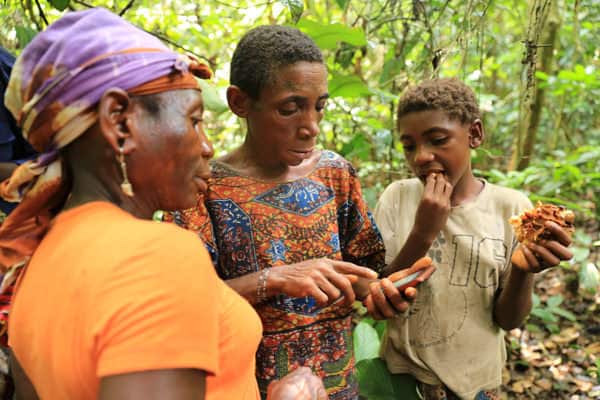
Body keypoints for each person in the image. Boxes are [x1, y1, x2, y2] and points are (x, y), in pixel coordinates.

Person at [0, 8, 327, 400]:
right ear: (120, 123)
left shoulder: (30, 264)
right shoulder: (157, 255)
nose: (206, 146)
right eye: (193, 120)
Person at [171, 25, 418, 399]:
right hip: (247, 388)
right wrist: (274, 279)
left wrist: (380, 293)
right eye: (290, 109)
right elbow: (187, 307)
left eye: (319, 106)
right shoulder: (202, 190)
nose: (311, 127)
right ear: (239, 103)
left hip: (337, 384)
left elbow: (362, 273)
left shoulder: (336, 175)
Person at [373, 78, 573, 399]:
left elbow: (508, 320)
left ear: (474, 134)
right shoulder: (398, 198)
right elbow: (381, 298)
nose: (422, 157)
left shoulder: (510, 207)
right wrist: (424, 233)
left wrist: (522, 270)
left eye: (437, 140)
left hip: (476, 384)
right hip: (404, 380)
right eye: (409, 146)